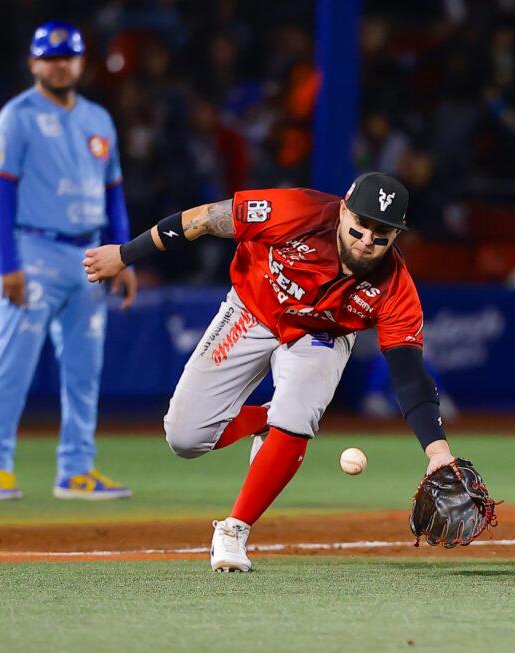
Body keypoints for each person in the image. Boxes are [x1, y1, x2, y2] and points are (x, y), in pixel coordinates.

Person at [83, 172, 461, 572]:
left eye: (382, 233)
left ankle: (234, 530)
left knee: (297, 417)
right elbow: (203, 219)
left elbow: (408, 375)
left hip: (322, 335)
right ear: (344, 211)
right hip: (252, 309)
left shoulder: (395, 288)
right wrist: (125, 254)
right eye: (361, 224)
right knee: (184, 437)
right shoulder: (296, 211)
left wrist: (437, 452)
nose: (368, 239)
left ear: (396, 236)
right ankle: (270, 420)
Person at [0, 21, 136, 502]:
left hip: (89, 252)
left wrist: (123, 255)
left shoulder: (98, 119)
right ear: (33, 63)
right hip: (35, 249)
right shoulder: (16, 117)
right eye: (50, 56)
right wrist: (8, 264)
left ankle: (76, 469)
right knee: (13, 362)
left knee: (85, 368)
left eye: (68, 56)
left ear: (81, 62)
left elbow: (114, 195)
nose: (60, 64)